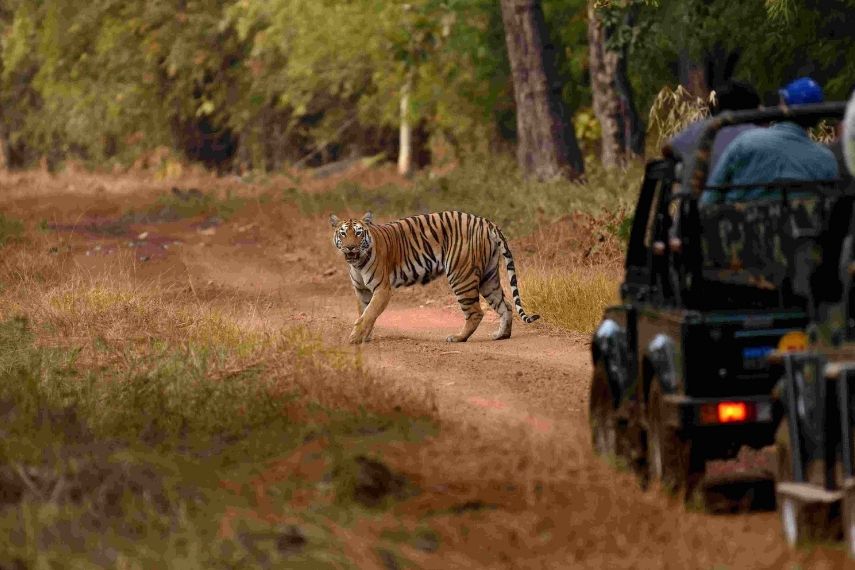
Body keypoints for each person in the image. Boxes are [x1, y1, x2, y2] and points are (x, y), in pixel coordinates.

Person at [702, 77, 839, 204]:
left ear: (782, 105)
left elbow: (709, 199)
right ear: (818, 117)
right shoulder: (827, 160)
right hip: (804, 229)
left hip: (738, 227)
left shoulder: (745, 142)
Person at [665, 79, 761, 188]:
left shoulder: (699, 129)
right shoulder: (763, 135)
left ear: (717, 105)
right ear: (754, 109)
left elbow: (667, 149)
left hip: (704, 202)